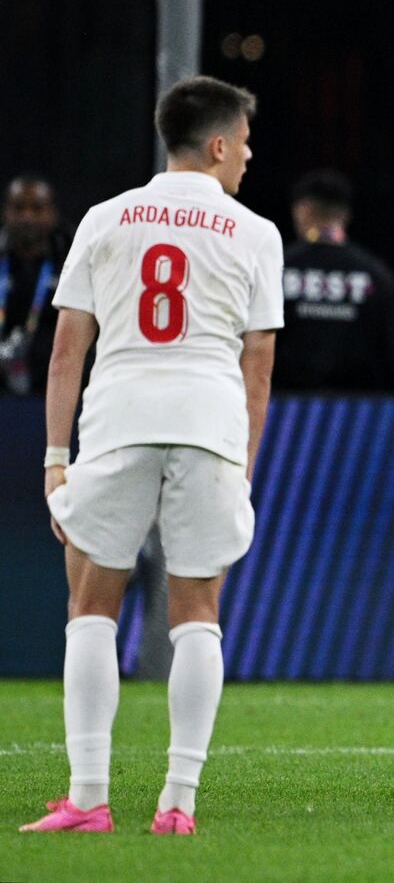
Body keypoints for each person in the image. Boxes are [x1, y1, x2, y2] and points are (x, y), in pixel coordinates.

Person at [23, 76, 282, 834]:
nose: (249, 156)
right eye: (244, 141)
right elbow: (257, 363)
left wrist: (52, 455)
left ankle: (89, 796)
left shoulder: (105, 219)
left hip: (117, 419)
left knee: (89, 607)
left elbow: (68, 347)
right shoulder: (254, 230)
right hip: (207, 421)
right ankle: (178, 802)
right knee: (197, 611)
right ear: (219, 143)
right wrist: (245, 462)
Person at [275, 169, 394, 389]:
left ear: (303, 210)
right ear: (345, 214)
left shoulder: (278, 268)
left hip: (288, 410)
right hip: (357, 409)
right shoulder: (376, 274)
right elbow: (390, 354)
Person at [0, 176, 66, 395]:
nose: (27, 217)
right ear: (6, 212)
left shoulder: (69, 265)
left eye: (37, 209)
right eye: (19, 208)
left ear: (53, 214)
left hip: (51, 390)